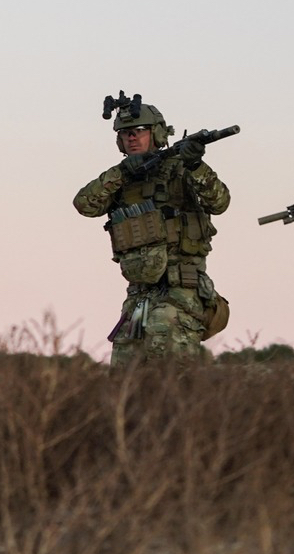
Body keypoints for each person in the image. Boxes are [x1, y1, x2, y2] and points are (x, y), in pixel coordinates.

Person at [74, 95, 230, 363]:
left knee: (171, 377)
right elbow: (85, 204)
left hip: (180, 290)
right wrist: (122, 173)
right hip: (139, 295)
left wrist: (195, 165)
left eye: (138, 132)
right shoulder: (122, 178)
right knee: (124, 377)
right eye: (125, 134)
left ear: (156, 133)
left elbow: (219, 202)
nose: (131, 138)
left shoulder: (181, 170)